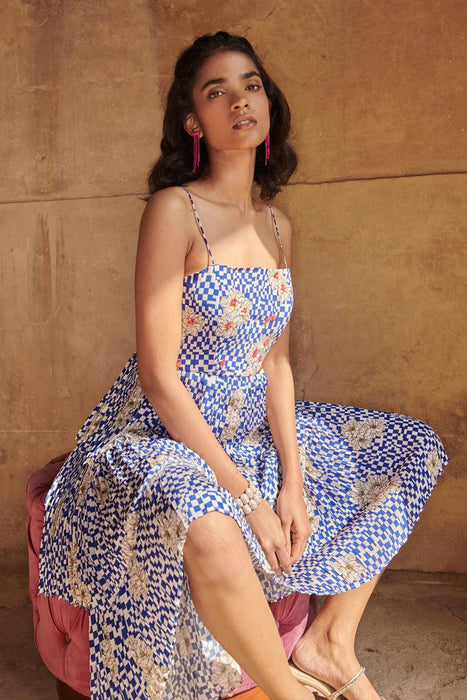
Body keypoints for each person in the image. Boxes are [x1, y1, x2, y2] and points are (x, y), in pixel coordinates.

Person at [38, 31, 449, 700]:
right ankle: (285, 692)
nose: (239, 101)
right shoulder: (174, 210)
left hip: (249, 424)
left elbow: (276, 362)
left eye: (250, 85)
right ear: (192, 122)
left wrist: (291, 480)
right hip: (163, 430)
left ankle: (329, 642)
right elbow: (159, 379)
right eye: (217, 91)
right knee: (208, 518)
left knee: (412, 445)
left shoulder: (277, 225)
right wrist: (249, 499)